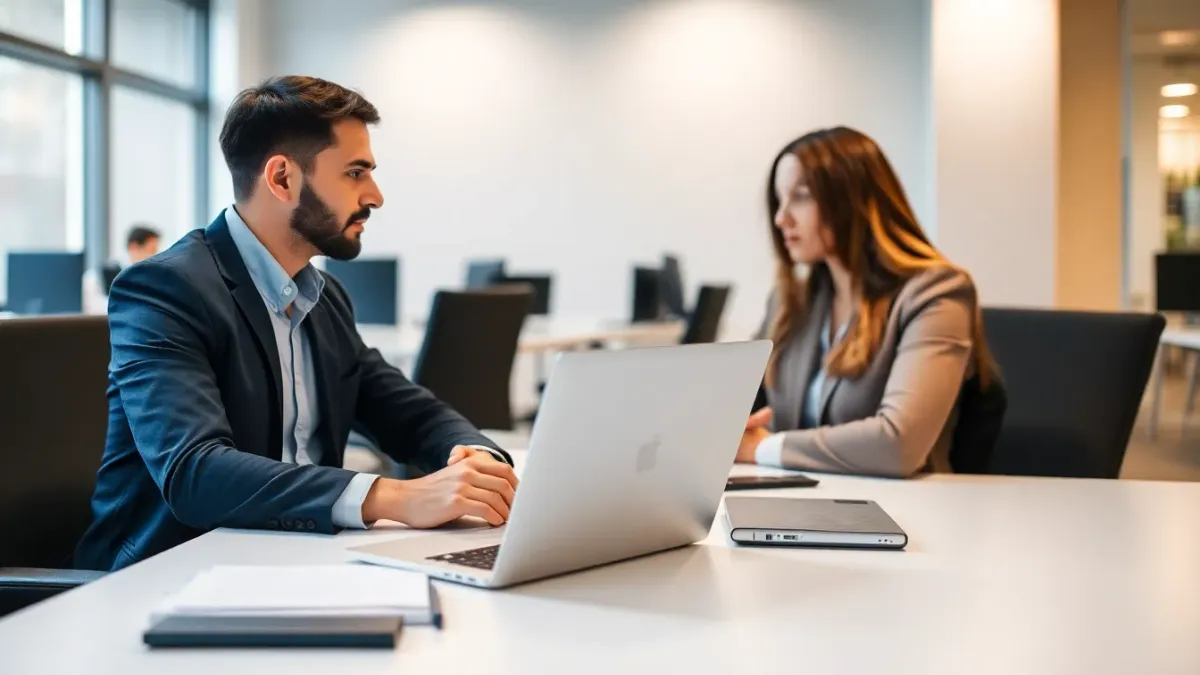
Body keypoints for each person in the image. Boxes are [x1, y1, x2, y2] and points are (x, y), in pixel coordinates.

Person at [76, 76, 518, 571]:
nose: (375, 196)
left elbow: (406, 410)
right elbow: (194, 473)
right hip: (170, 575)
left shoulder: (324, 299)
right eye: (355, 173)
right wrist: (393, 496)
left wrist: (477, 459)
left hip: (298, 561)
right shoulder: (165, 290)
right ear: (282, 178)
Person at [735, 127, 996, 477]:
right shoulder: (789, 301)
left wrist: (761, 448)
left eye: (800, 196)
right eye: (779, 200)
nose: (782, 218)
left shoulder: (937, 293)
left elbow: (899, 443)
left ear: (852, 202)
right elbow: (738, 404)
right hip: (796, 500)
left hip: (904, 512)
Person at [82, 225, 163, 313]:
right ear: (134, 247)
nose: (155, 257)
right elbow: (95, 308)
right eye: (151, 251)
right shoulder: (99, 275)